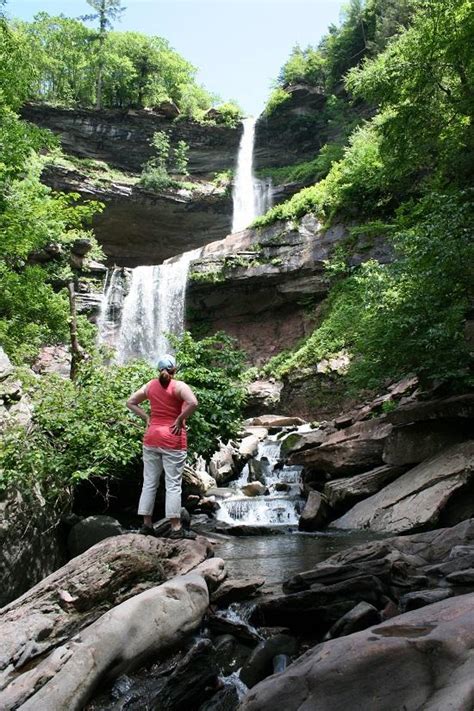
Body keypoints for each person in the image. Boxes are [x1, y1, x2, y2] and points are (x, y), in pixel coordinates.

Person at [126, 354, 198, 539]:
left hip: (151, 438)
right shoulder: (179, 386)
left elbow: (131, 402)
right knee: (173, 484)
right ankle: (175, 528)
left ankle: (147, 525)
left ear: (159, 370)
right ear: (175, 370)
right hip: (173, 438)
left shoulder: (150, 386)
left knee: (150, 482)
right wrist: (180, 419)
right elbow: (193, 403)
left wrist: (147, 418)